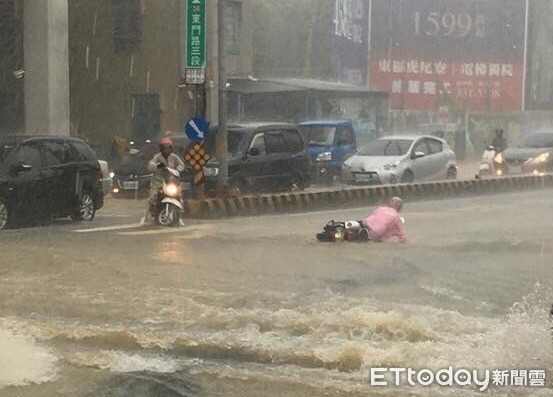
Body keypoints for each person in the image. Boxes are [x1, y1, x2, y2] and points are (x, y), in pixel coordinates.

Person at [141, 137, 186, 225]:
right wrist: (157, 166)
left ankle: (179, 217)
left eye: (168, 147)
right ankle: (145, 217)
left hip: (171, 180)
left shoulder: (174, 157)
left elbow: (182, 165)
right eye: (164, 147)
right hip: (158, 181)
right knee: (152, 197)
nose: (166, 149)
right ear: (161, 148)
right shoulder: (157, 157)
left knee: (179, 196)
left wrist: (179, 170)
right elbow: (151, 165)